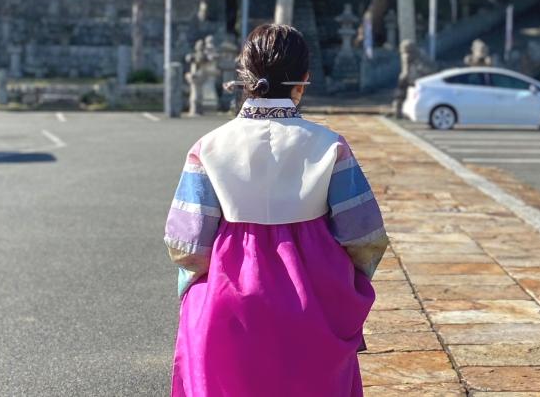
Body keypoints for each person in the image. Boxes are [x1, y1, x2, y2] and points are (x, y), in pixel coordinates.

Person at [164, 24, 388, 397]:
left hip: (227, 303)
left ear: (245, 78)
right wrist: (347, 289)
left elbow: (186, 245)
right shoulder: (331, 146)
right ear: (303, 81)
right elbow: (364, 237)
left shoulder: (208, 147)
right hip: (313, 301)